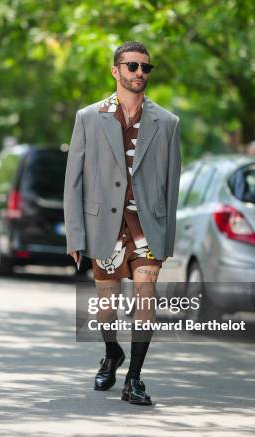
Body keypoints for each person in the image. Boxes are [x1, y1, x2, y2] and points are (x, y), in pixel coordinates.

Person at [64, 41, 182, 406]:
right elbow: (74, 180)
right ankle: (112, 352)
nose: (139, 74)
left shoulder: (167, 123)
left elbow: (171, 185)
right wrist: (75, 234)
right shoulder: (89, 117)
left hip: (147, 227)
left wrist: (167, 241)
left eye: (146, 68)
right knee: (106, 304)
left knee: (146, 295)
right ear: (116, 71)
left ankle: (135, 378)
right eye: (132, 66)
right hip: (104, 227)